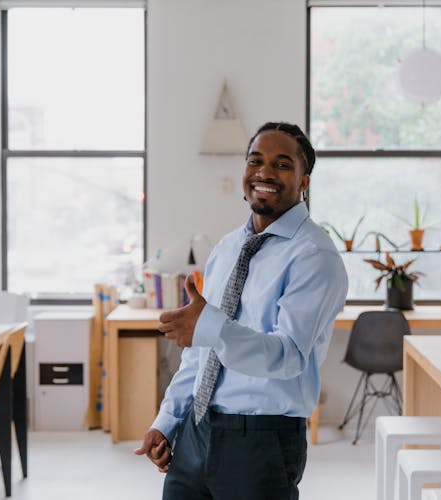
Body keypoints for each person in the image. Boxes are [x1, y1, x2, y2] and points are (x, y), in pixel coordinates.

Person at [134, 122, 348, 499]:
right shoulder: (228, 247)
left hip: (262, 443)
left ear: (304, 181)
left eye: (282, 164)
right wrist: (168, 420)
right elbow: (200, 353)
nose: (265, 172)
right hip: (196, 433)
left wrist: (210, 327)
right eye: (255, 160)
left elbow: (288, 356)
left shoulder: (314, 256)